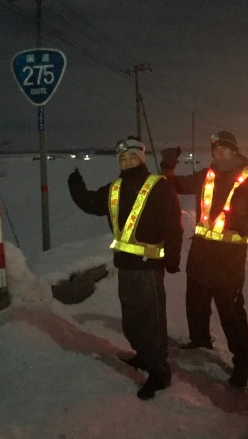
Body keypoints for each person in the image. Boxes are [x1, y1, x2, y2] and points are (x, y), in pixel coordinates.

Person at [67, 136, 183, 400]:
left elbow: (173, 224)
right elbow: (90, 203)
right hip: (125, 266)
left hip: (149, 266)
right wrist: (76, 186)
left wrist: (173, 258)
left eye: (132, 158)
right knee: (132, 319)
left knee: (151, 321)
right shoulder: (115, 188)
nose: (128, 162)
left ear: (141, 159)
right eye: (123, 159)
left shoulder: (159, 187)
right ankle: (143, 356)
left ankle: (160, 374)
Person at [160, 131, 248, 387]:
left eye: (224, 149)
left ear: (235, 151)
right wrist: (168, 166)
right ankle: (200, 341)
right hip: (201, 254)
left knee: (230, 313)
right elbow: (172, 186)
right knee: (195, 303)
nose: (219, 154)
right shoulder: (204, 176)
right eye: (216, 150)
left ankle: (242, 362)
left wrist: (241, 218)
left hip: (229, 260)